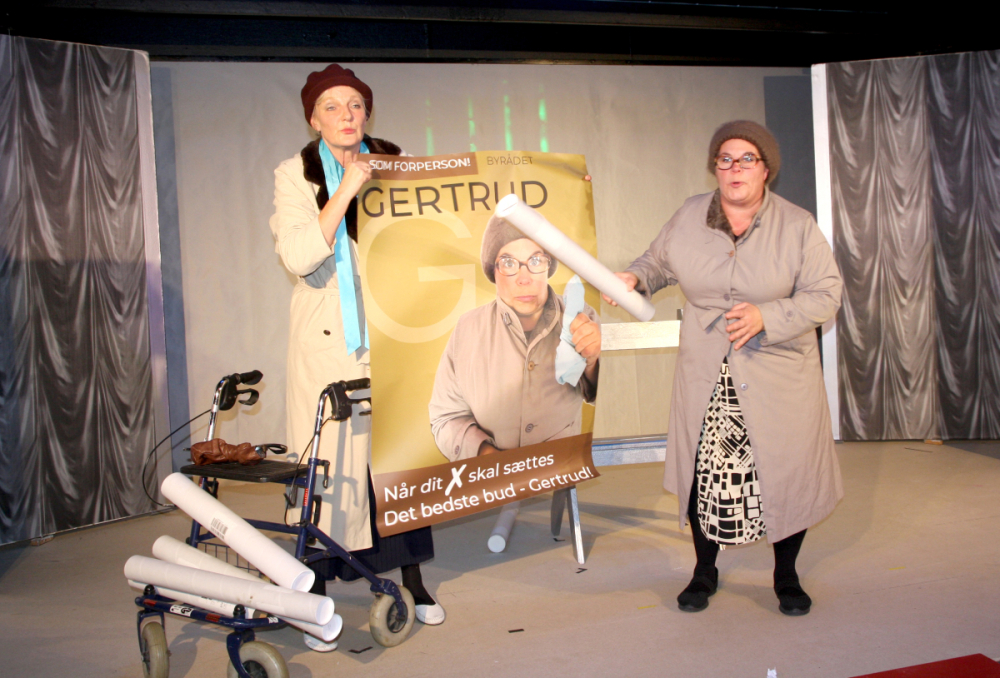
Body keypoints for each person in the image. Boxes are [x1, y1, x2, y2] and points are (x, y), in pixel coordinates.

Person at [608, 120, 843, 616]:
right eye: (725, 159)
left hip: (779, 372)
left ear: (766, 169)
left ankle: (786, 575)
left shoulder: (797, 225)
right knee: (706, 471)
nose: (735, 168)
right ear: (715, 167)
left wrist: (768, 315)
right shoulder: (689, 215)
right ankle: (704, 570)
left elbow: (826, 293)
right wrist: (634, 277)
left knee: (785, 471)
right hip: (708, 372)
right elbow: (657, 262)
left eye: (747, 159)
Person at [269, 64, 443, 650]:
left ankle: (412, 583)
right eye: (332, 106)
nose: (346, 115)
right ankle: (314, 597)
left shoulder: (398, 163)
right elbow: (299, 255)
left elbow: (440, 233)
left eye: (356, 105)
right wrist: (346, 186)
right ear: (313, 119)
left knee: (398, 461)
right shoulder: (295, 174)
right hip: (329, 338)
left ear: (367, 114)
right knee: (328, 467)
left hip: (394, 332)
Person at [429, 214, 601, 461]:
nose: (524, 278)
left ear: (548, 266)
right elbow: (446, 417)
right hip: (492, 479)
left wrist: (594, 362)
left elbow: (614, 396)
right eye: (509, 263)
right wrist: (487, 456)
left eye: (535, 260)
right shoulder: (467, 329)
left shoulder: (581, 317)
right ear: (493, 271)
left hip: (561, 473)